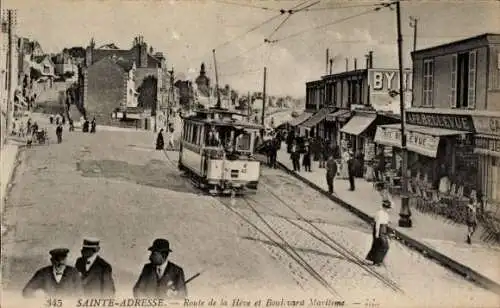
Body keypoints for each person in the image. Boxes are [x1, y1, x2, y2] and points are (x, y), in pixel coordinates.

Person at [366, 185, 392, 266]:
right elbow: (377, 224)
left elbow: (386, 223)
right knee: (384, 246)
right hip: (379, 230)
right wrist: (377, 234)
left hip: (383, 230)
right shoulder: (380, 213)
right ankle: (378, 260)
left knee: (377, 245)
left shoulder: (385, 213)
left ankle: (375, 260)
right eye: (388, 208)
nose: (389, 209)